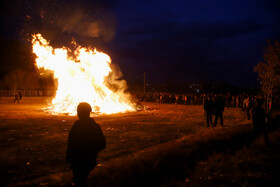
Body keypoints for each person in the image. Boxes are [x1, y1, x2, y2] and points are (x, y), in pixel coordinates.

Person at [66, 102, 106, 187]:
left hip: (81, 161)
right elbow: (102, 144)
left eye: (79, 111)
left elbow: (71, 142)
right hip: (86, 160)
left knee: (82, 181)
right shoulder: (94, 126)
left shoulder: (77, 126)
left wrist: (87, 151)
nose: (78, 113)